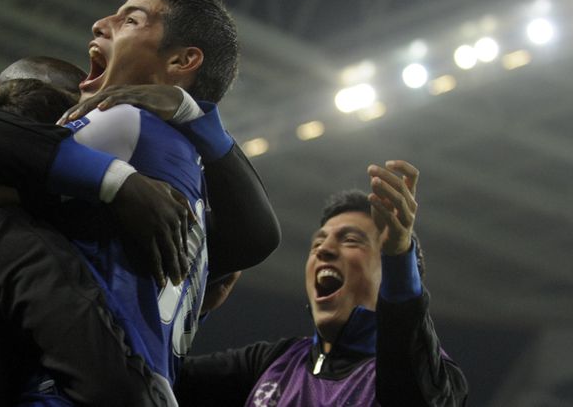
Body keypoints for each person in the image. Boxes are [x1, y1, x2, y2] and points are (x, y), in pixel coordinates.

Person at [0, 0, 278, 405]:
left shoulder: (119, 122)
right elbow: (259, 237)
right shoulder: (192, 192)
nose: (100, 24)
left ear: (182, 61)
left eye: (131, 21)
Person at [175, 160, 469, 406]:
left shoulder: (434, 379)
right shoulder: (273, 363)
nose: (323, 250)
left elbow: (410, 391)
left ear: (392, 272)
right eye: (317, 243)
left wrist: (399, 256)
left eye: (351, 240)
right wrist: (193, 314)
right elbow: (156, 382)